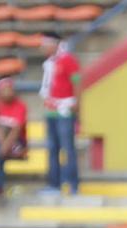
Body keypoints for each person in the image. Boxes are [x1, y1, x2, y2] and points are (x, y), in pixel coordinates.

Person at [40, 31, 81, 195]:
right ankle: (54, 184)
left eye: (44, 44)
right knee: (52, 148)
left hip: (65, 109)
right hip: (51, 111)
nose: (42, 48)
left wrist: (77, 103)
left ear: (54, 44)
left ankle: (72, 184)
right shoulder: (50, 63)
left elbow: (77, 82)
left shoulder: (67, 60)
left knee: (68, 148)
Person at [0, 77, 29, 197]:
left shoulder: (20, 106)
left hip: (16, 142)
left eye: (10, 89)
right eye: (5, 89)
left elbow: (16, 130)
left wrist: (4, 146)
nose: (8, 92)